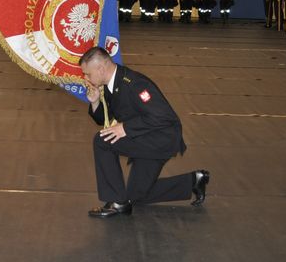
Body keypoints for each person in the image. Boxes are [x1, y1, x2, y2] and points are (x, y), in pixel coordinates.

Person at [79, 47, 210, 218]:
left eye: (87, 74)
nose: (85, 78)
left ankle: (116, 203)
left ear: (101, 69)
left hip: (160, 139)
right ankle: (194, 181)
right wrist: (95, 102)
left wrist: (124, 128)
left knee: (102, 141)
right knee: (135, 196)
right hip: (143, 137)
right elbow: (106, 118)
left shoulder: (134, 84)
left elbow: (163, 117)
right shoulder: (112, 85)